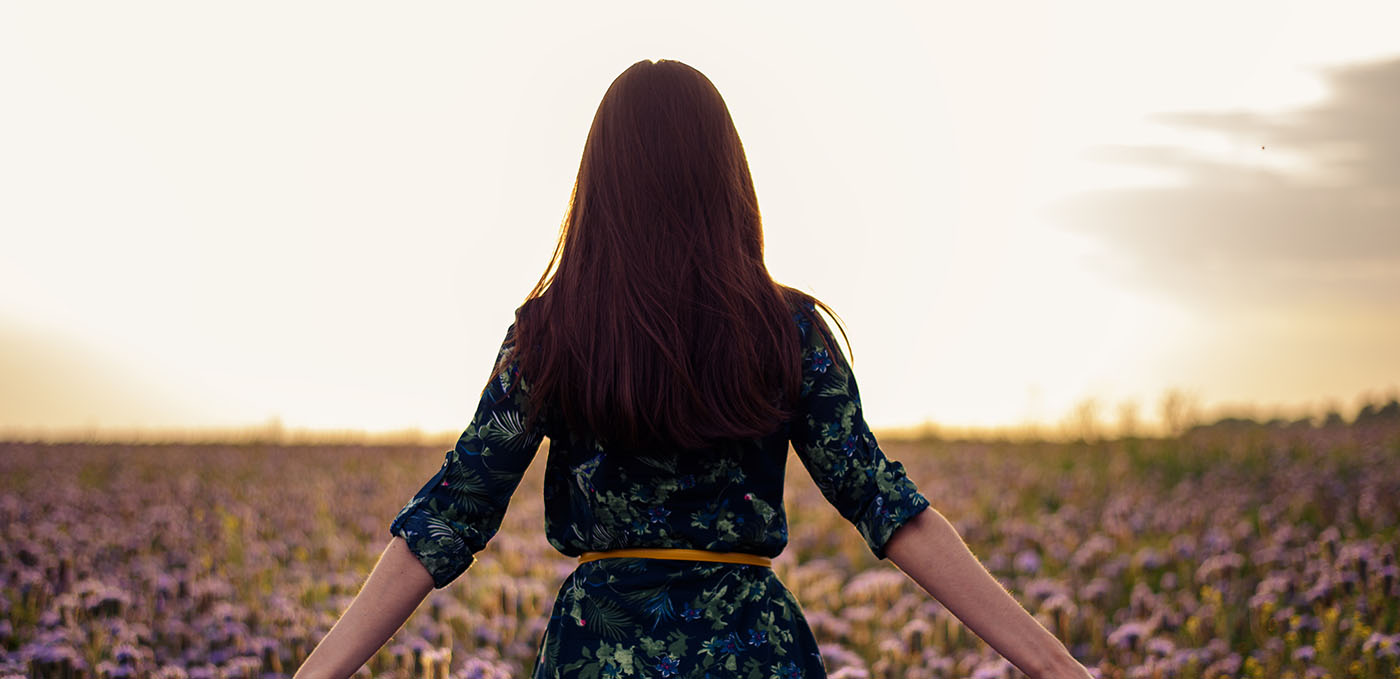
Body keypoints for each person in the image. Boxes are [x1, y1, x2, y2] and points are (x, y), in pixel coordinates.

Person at [294, 59, 1092, 679]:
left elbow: (449, 517)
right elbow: (886, 504)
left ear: (598, 185)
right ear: (727, 177)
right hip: (752, 648)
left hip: (599, 654)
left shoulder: (551, 331)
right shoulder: (784, 330)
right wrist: (1052, 662)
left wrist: (316, 669)